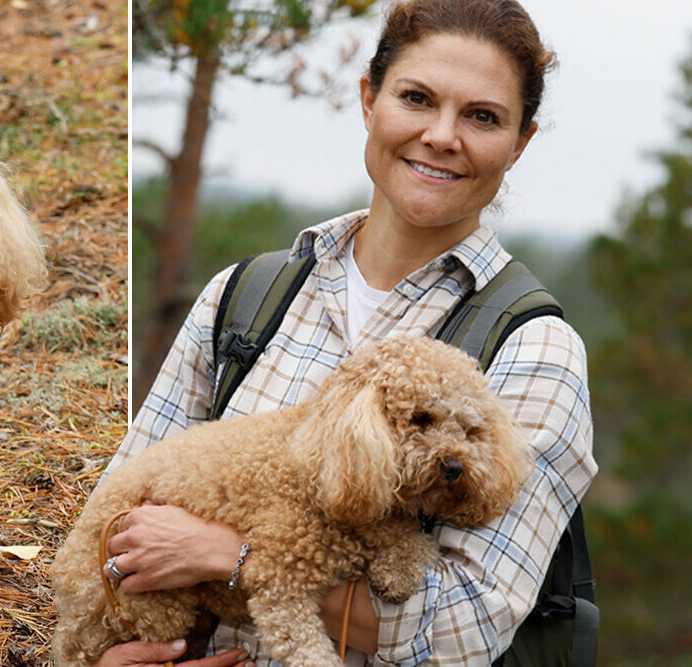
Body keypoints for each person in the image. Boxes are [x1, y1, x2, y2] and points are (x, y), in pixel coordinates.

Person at [91, 0, 596, 665]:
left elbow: (465, 630)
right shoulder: (244, 295)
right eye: (417, 98)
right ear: (369, 100)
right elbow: (112, 518)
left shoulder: (534, 347)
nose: (442, 135)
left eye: (482, 116)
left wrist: (231, 556)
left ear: (520, 142)